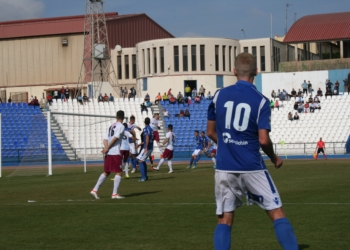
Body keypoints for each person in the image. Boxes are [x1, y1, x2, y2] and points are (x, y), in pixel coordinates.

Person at [207, 52, 298, 250]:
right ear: (256, 71)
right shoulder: (262, 101)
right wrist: (274, 158)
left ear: (234, 71)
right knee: (276, 213)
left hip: (224, 167)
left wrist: (228, 143)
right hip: (252, 166)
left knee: (224, 220)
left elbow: (210, 132)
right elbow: (263, 140)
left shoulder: (218, 95)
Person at [90, 110, 126, 200]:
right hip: (115, 152)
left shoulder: (111, 126)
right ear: (123, 118)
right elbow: (115, 138)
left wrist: (106, 147)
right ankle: (114, 194)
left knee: (107, 172)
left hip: (109, 153)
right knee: (119, 172)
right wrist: (108, 148)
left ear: (116, 117)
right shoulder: (121, 126)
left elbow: (105, 139)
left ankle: (95, 190)